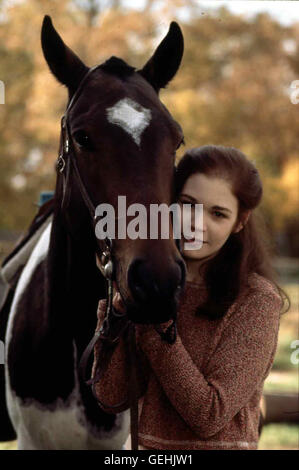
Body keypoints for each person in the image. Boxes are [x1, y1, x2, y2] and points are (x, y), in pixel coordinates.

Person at [91, 145, 288, 451]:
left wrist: (157, 328)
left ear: (240, 221)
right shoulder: (152, 283)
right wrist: (115, 319)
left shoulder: (257, 300)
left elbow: (209, 415)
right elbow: (111, 397)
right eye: (187, 204)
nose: (197, 223)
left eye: (218, 213)